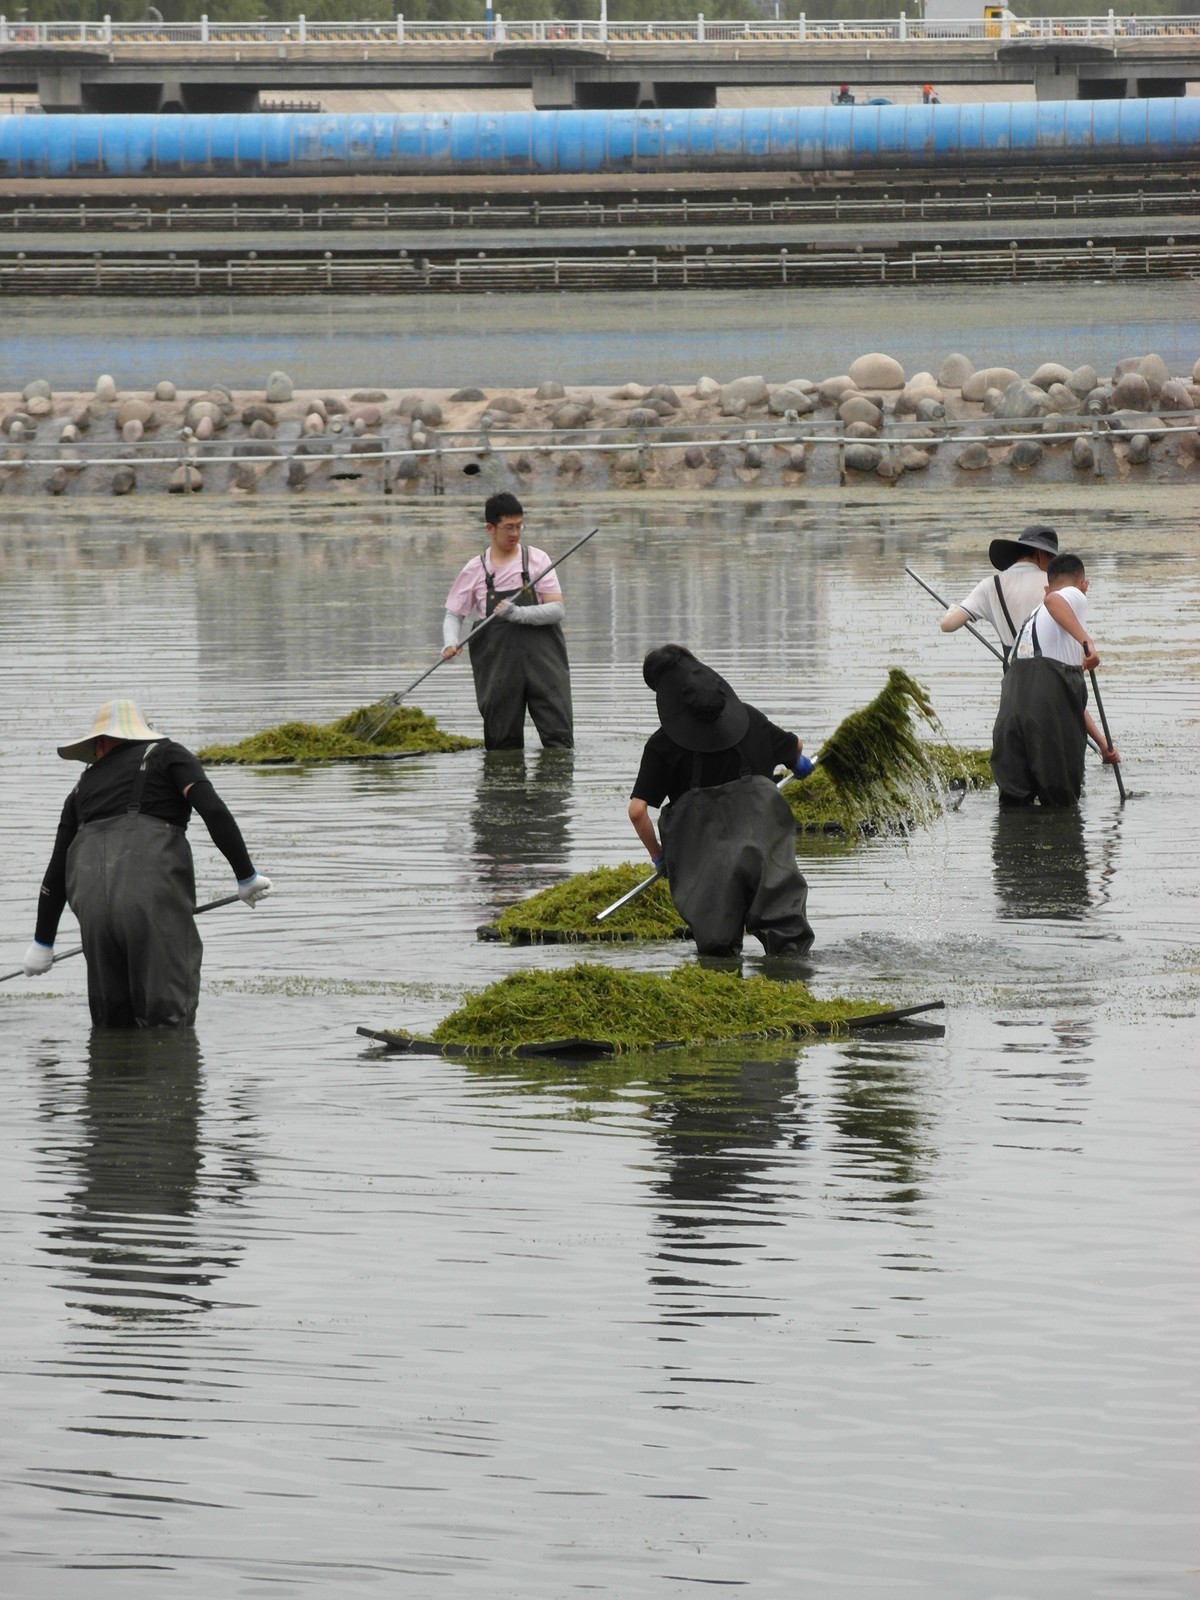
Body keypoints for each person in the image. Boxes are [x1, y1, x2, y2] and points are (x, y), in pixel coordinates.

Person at [23, 699, 272, 1027]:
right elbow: (213, 810)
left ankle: (109, 1076)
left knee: (111, 1027)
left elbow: (57, 869)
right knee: (166, 1023)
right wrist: (246, 876)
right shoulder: (169, 755)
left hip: (93, 916)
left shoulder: (81, 788)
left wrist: (43, 942)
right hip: (150, 905)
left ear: (99, 744)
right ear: (144, 733)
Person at [628, 644, 814, 959]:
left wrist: (660, 857)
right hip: (766, 860)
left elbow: (637, 812)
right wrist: (797, 763)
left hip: (706, 873)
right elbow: (794, 745)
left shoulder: (662, 746)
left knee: (717, 952)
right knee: (789, 945)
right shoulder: (750, 719)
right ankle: (795, 989)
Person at [441, 492, 573, 752]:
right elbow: (454, 615)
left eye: (519, 526)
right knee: (501, 745)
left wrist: (517, 614)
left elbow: (557, 609)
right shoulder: (475, 569)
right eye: (508, 527)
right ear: (490, 528)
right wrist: (450, 642)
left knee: (559, 741)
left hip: (544, 665)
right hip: (498, 669)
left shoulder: (537, 560)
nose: (515, 533)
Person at [990, 554, 1121, 807]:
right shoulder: (1073, 595)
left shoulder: (1032, 623)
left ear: (1045, 585)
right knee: (1061, 805)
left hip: (1010, 718)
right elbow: (1054, 600)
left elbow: (1069, 702)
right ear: (1085, 585)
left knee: (1014, 805)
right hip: (1045, 725)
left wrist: (1102, 744)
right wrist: (1087, 642)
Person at [940, 524, 1060, 664]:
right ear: (1040, 553)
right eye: (1051, 557)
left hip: (1014, 680)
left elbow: (947, 625)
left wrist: (953, 610)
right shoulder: (1056, 584)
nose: (1052, 564)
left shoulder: (990, 585)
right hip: (1053, 675)